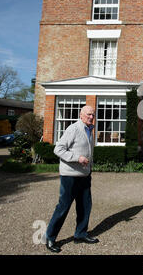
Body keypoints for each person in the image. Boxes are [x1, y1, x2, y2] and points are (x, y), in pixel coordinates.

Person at [45, 105, 99, 253]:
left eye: (93, 115)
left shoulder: (89, 130)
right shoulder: (73, 129)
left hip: (84, 176)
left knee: (85, 206)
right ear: (81, 115)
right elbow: (58, 149)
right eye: (88, 114)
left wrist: (89, 168)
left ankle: (80, 234)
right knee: (63, 207)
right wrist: (77, 158)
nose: (91, 117)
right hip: (70, 176)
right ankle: (50, 237)